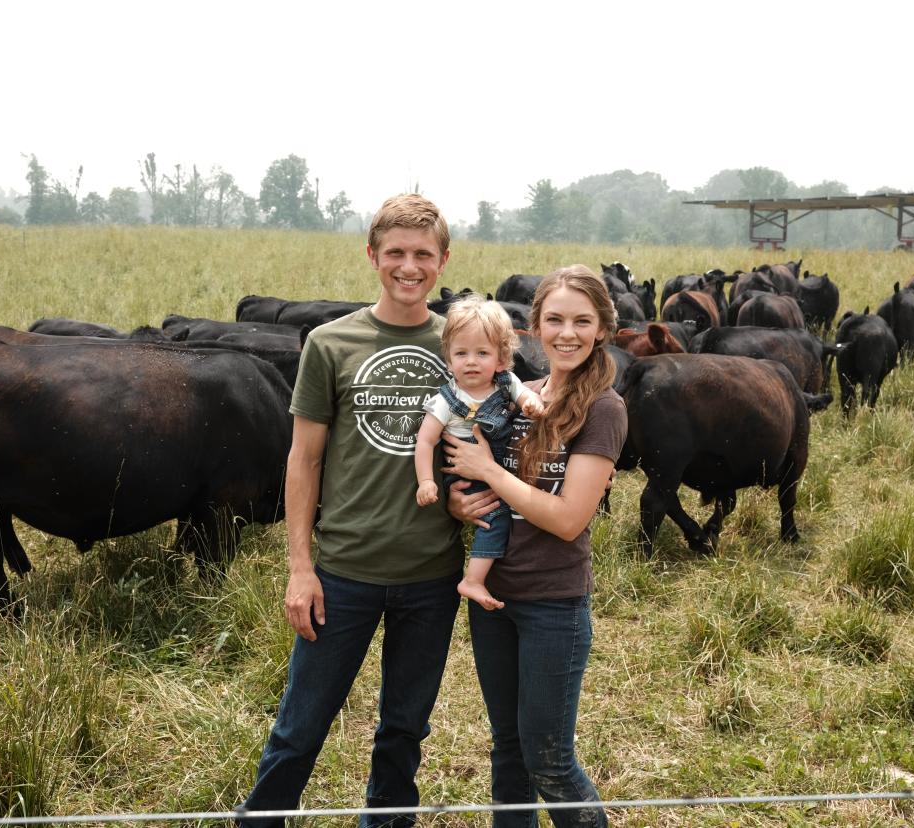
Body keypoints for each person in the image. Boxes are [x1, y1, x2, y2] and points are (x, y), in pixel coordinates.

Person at [240, 194, 463, 828]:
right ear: (373, 256)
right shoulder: (330, 343)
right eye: (396, 253)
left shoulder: (461, 342)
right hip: (341, 573)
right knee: (300, 727)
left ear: (443, 260)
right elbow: (303, 461)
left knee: (403, 730)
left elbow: (496, 435)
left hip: (431, 575)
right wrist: (299, 567)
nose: (409, 266)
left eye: (423, 254)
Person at [444, 265, 626, 828]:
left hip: (553, 603)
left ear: (601, 329)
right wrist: (460, 501)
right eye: (554, 319)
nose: (566, 333)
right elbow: (481, 474)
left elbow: (569, 519)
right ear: (534, 327)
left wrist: (488, 474)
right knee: (508, 749)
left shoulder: (604, 408)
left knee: (549, 759)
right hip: (494, 597)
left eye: (581, 321)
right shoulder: (521, 396)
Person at [414, 295, 544, 611]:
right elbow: (425, 442)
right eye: (461, 353)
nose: (471, 361)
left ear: (501, 359)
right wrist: (426, 482)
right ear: (448, 359)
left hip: (498, 467)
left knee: (512, 513)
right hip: (467, 474)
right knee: (496, 519)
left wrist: (532, 403)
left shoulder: (506, 382)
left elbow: (526, 395)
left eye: (482, 353)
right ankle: (472, 580)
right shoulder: (447, 400)